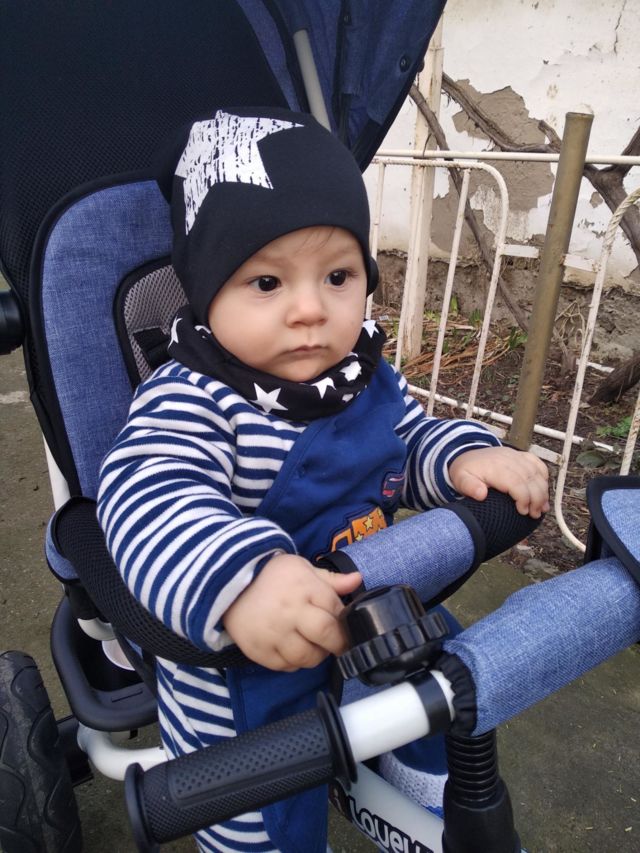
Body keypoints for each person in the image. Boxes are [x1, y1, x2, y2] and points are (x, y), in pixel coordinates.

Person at [97, 106, 548, 853]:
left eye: (338, 276)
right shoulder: (192, 399)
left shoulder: (360, 374)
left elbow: (405, 443)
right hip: (242, 665)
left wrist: (461, 457)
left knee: (449, 681)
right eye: (267, 281)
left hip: (370, 616)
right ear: (206, 292)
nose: (310, 310)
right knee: (263, 824)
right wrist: (240, 579)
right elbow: (148, 495)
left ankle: (419, 787)